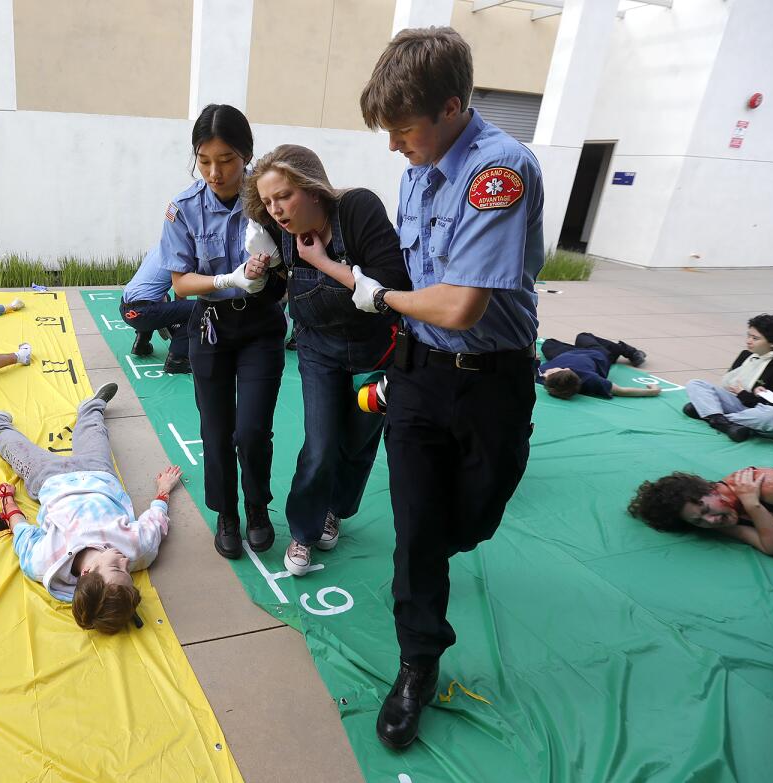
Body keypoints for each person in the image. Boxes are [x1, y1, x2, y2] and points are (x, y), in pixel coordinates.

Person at [353, 28, 545, 749]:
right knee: (417, 532)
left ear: (453, 108)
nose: (397, 146)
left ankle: (434, 555)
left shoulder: (499, 170)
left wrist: (379, 300)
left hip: (492, 382)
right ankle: (416, 665)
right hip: (419, 377)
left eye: (404, 130)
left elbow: (460, 305)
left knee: (472, 516)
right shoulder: (416, 170)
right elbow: (417, 279)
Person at [244, 144, 410, 576]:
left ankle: (334, 510)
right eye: (267, 201)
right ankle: (303, 530)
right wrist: (258, 273)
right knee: (319, 445)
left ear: (313, 187)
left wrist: (321, 261)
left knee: (356, 444)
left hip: (376, 351)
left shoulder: (357, 209)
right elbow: (282, 284)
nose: (276, 210)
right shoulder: (276, 228)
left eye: (284, 196)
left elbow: (391, 287)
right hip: (319, 349)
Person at [163, 104, 286, 560]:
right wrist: (228, 279)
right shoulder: (184, 209)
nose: (215, 172)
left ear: (247, 155)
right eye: (205, 159)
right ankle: (227, 513)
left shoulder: (270, 198)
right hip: (212, 326)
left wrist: (270, 271)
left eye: (228, 160)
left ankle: (257, 508)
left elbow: (292, 262)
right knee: (216, 431)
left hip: (261, 327)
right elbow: (180, 282)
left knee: (252, 430)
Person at [0, 383, 183, 633]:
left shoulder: (44, 563)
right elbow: (155, 522)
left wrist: (8, 502)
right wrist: (164, 490)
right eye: (127, 573)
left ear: (87, 571)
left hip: (49, 480)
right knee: (94, 431)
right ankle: (92, 406)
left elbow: (23, 534)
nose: (124, 561)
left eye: (114, 567)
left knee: (11, 447)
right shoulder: (138, 550)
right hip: (98, 473)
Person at [628, 467, 773, 556]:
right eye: (698, 521)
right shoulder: (718, 519)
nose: (711, 521)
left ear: (712, 490)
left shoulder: (771, 486)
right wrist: (752, 505)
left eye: (706, 509)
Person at [681, 314, 773, 442]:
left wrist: (744, 394)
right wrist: (741, 394)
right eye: (748, 336)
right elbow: (727, 385)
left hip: (761, 412)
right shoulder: (746, 355)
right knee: (696, 384)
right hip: (741, 406)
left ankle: (713, 416)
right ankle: (725, 423)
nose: (748, 341)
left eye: (755, 338)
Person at [120, 253, 194, 374]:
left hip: (125, 310)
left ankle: (141, 344)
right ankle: (177, 360)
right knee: (199, 309)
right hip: (145, 313)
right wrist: (179, 327)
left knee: (165, 298)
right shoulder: (180, 254)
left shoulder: (159, 248)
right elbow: (181, 291)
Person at [538, 332, 656, 399]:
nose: (546, 372)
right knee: (583, 336)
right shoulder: (591, 379)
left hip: (566, 353)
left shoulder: (540, 376)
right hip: (595, 354)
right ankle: (630, 351)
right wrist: (653, 391)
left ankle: (575, 347)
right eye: (550, 372)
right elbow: (622, 391)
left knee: (548, 344)